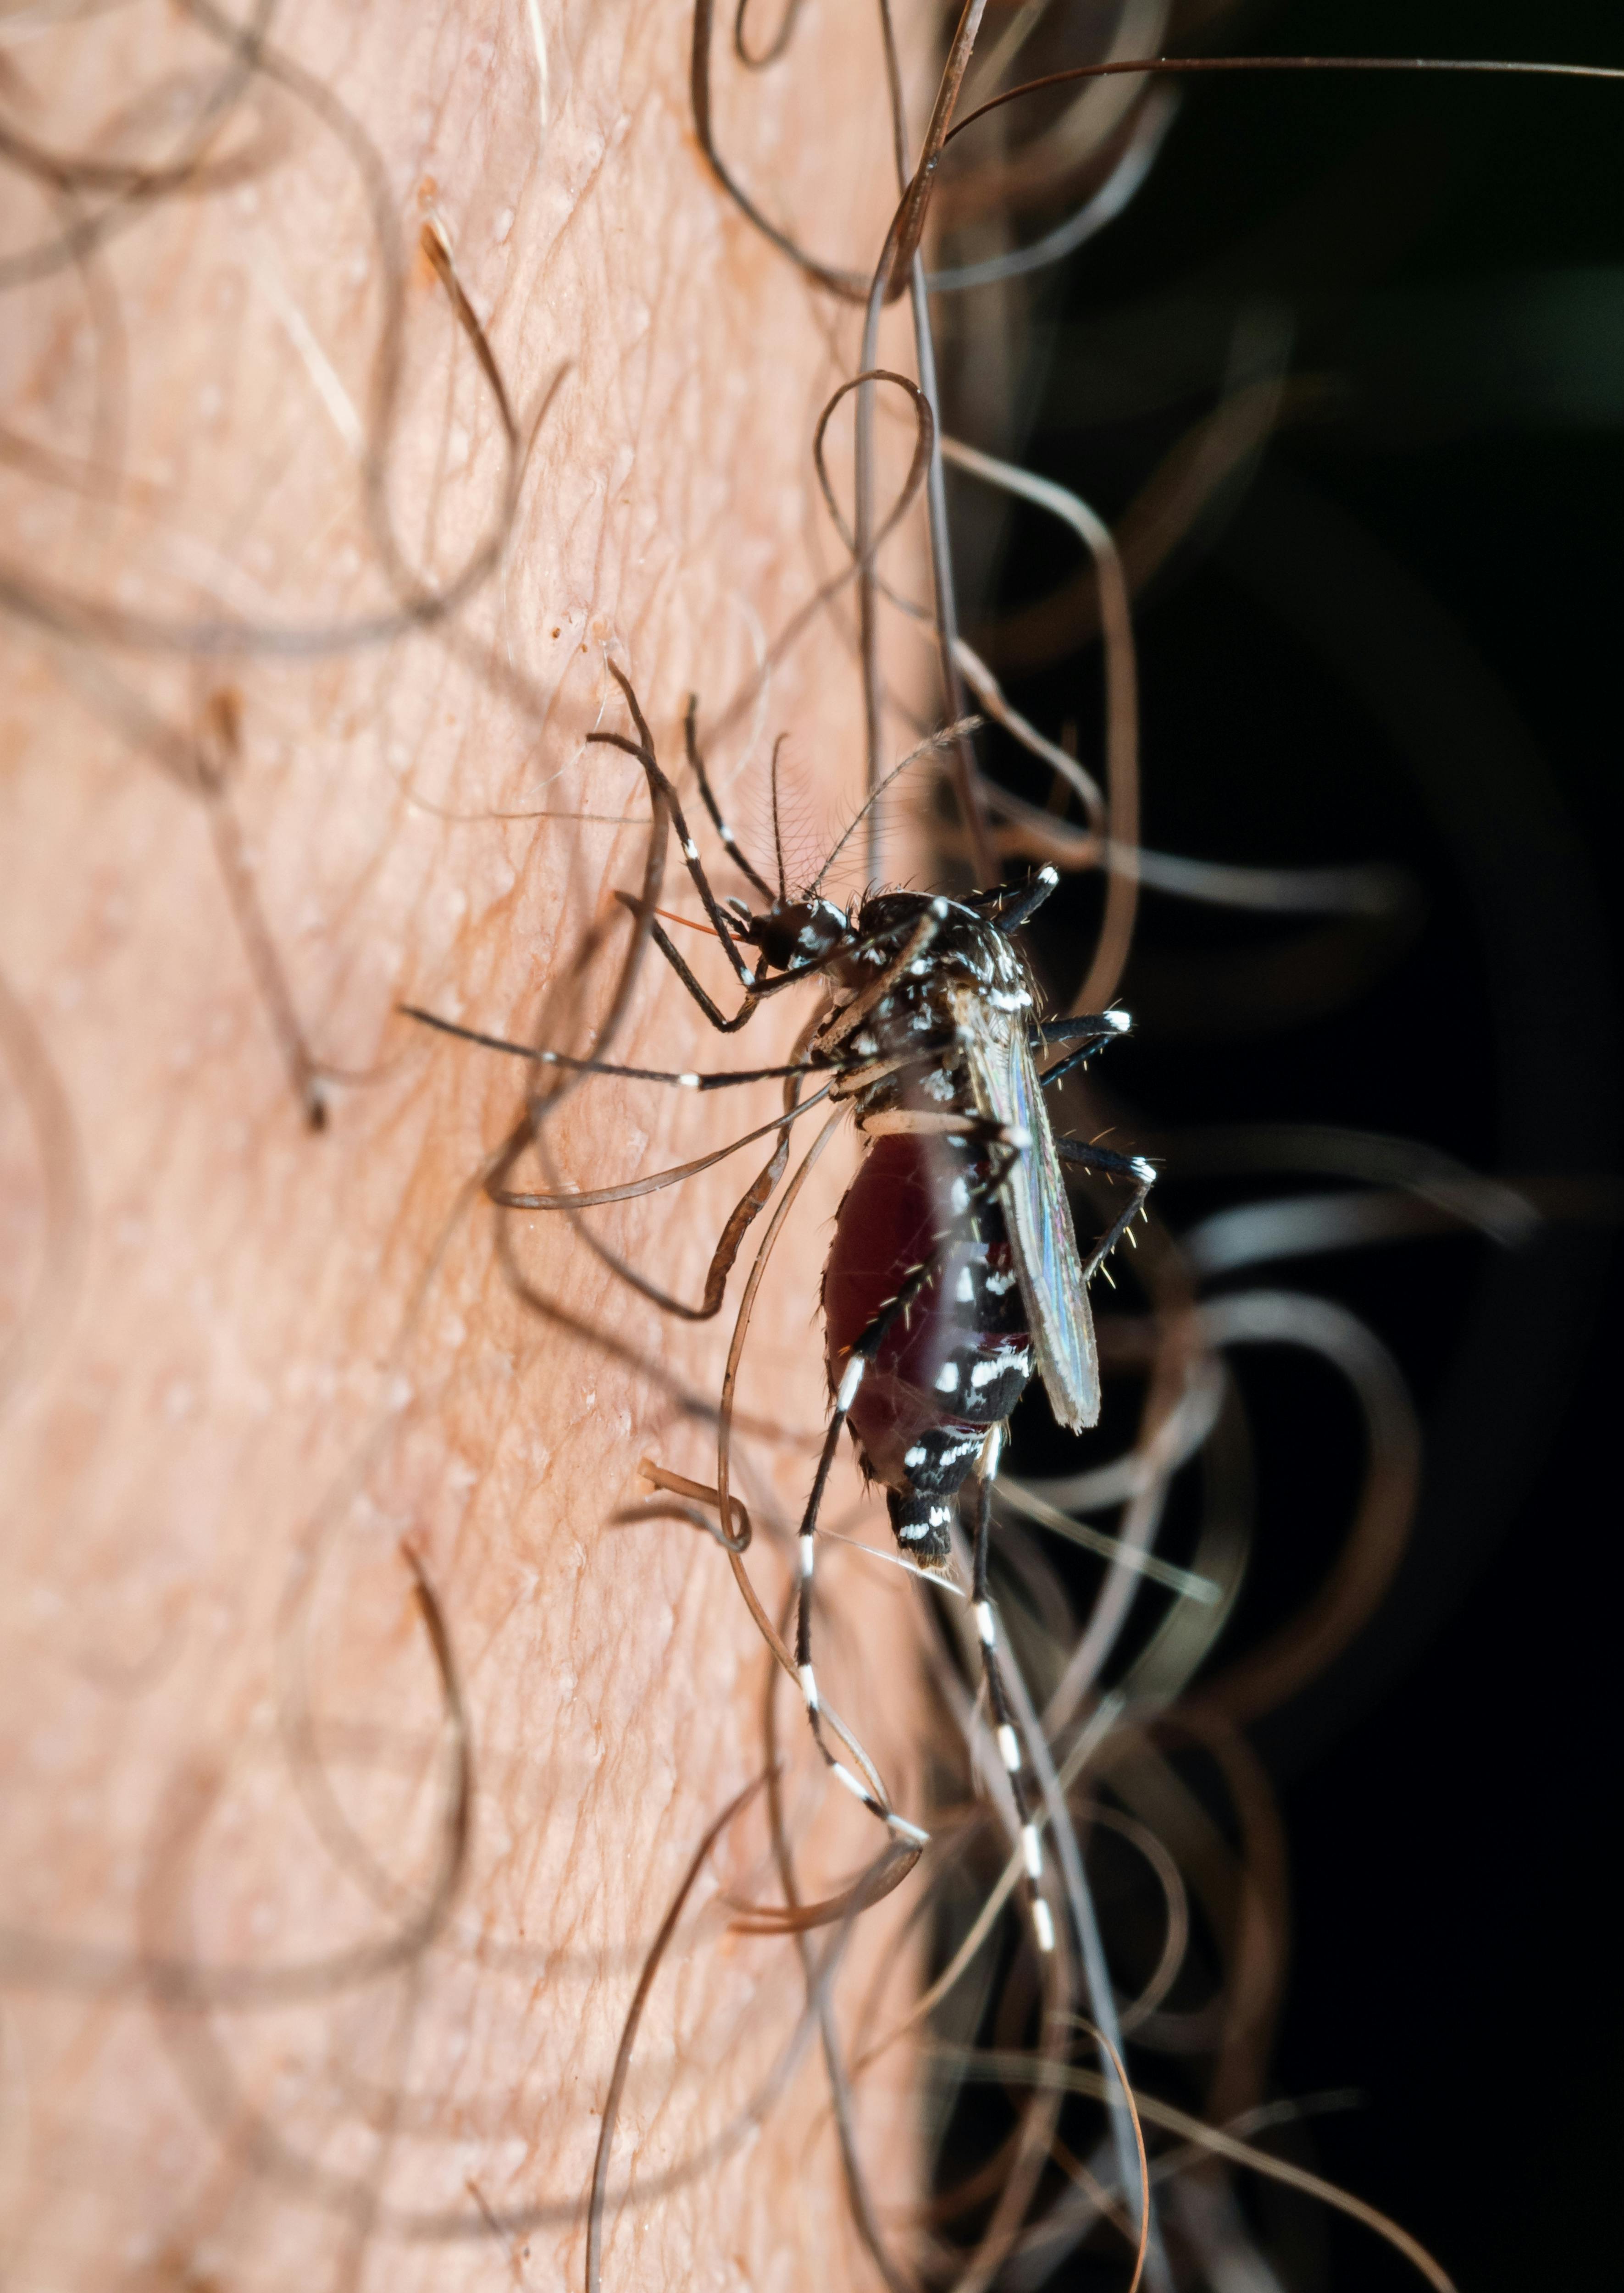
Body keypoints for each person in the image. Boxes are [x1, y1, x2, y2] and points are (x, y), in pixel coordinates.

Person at [0, 5, 930, 2283]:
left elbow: (754, 1023)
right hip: (929, 1296)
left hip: (931, 1320)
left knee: (766, 1168)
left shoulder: (881, 1066)